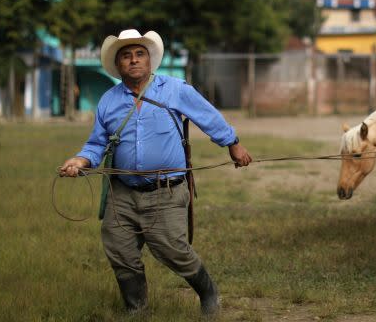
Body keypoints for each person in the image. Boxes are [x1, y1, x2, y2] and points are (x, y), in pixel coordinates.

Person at [59, 28, 252, 316]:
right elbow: (97, 144)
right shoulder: (109, 101)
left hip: (167, 189)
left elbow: (208, 115)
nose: (134, 60)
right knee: (119, 250)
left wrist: (232, 144)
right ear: (118, 64)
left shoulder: (175, 89)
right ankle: (137, 309)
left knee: (172, 250)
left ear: (150, 60)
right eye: (126, 56)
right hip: (122, 192)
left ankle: (208, 291)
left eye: (139, 54)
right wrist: (80, 161)